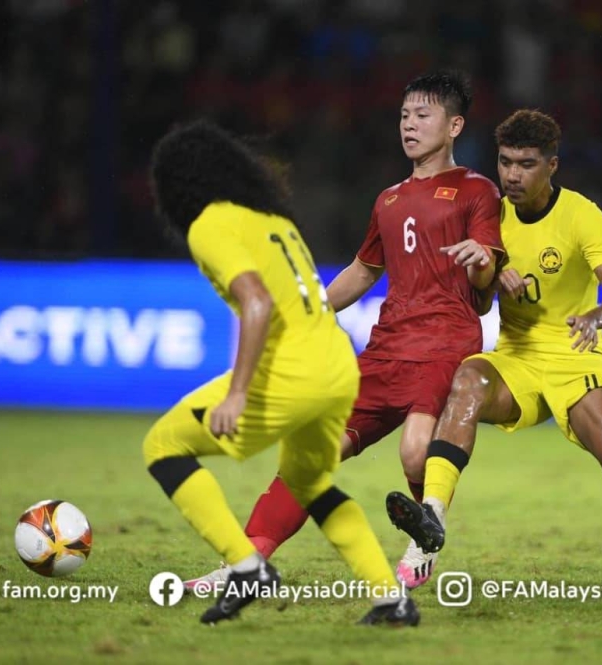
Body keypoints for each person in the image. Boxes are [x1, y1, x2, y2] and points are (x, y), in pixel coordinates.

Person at [184, 70, 504, 593]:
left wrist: (480, 262)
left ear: (454, 126)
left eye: (422, 115)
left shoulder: (476, 190)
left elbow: (487, 266)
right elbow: (362, 271)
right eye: (404, 115)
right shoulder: (389, 200)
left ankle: (425, 540)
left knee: (414, 450)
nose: (409, 124)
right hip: (384, 350)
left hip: (444, 343)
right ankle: (245, 565)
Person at [386, 110, 602, 592]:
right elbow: (478, 302)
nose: (512, 175)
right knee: (467, 381)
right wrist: (487, 274)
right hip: (516, 358)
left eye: (526, 164)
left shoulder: (582, 215)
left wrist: (594, 317)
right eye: (505, 163)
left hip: (573, 359)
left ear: (552, 166)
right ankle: (430, 524)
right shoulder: (490, 215)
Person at [145, 119, 417, 626]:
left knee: (163, 446)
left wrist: (238, 393)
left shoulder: (211, 223)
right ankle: (391, 598)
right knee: (309, 484)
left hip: (292, 372)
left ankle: (246, 566)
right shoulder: (273, 220)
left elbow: (257, 302)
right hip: (337, 367)